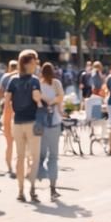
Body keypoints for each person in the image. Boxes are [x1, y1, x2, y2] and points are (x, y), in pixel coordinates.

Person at [7, 50, 43, 202]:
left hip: (17, 122)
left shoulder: (12, 80)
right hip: (32, 122)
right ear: (28, 63)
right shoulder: (34, 80)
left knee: (20, 157)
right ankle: (32, 188)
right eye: (34, 62)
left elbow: (7, 102)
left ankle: (20, 191)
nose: (36, 65)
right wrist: (40, 101)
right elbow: (37, 97)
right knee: (34, 157)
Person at [34, 61, 65, 201]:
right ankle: (53, 188)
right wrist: (52, 103)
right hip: (54, 122)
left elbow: (36, 101)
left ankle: (33, 186)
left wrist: (44, 101)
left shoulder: (38, 84)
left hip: (41, 123)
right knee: (53, 156)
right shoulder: (56, 84)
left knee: (39, 155)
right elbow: (60, 99)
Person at [0, 59, 18, 177]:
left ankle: (10, 167)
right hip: (19, 111)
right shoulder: (21, 77)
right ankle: (20, 166)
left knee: (9, 143)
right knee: (21, 143)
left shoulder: (5, 77)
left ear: (9, 67)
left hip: (7, 111)